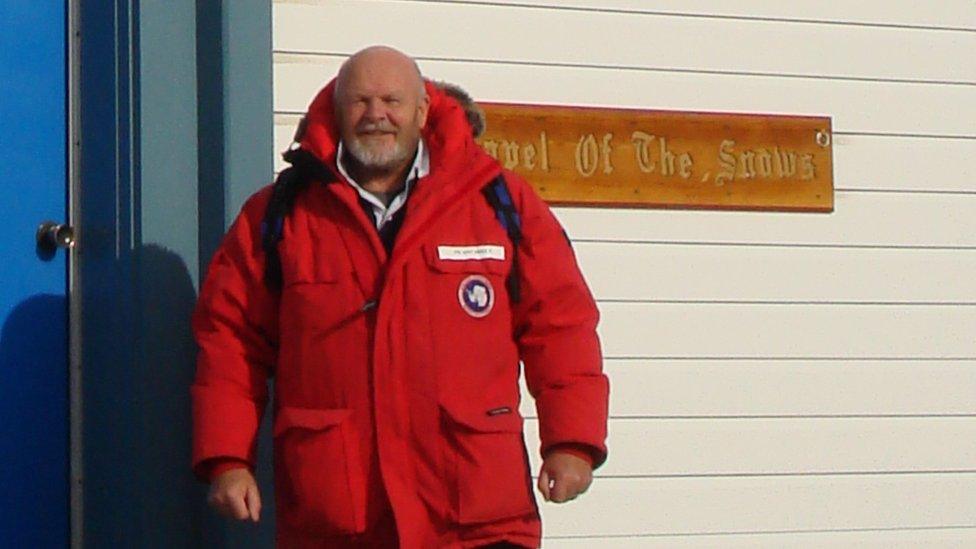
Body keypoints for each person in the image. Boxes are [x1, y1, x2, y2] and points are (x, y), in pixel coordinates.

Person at [191, 45, 609, 548]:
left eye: (392, 100)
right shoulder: (279, 216)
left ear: (422, 110)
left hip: (475, 514)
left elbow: (560, 327)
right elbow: (231, 343)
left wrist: (572, 444)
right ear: (336, 108)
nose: (376, 116)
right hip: (340, 517)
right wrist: (227, 459)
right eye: (360, 101)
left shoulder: (499, 202)